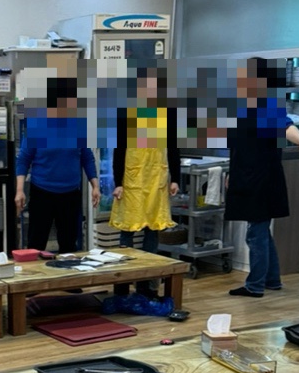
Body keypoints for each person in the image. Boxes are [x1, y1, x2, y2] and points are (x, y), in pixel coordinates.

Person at [224, 61, 299, 298]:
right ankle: (272, 279)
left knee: (255, 233)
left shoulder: (264, 105)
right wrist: (231, 174)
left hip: (261, 180)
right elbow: (238, 148)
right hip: (248, 177)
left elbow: (285, 125)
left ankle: (255, 286)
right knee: (261, 231)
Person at [15, 77, 101, 252]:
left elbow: (87, 157)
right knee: (36, 244)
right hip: (42, 193)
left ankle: (67, 270)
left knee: (68, 246)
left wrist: (95, 186)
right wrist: (19, 190)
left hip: (70, 194)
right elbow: (24, 159)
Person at [110, 68, 181, 254]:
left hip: (157, 177)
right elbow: (119, 149)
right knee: (128, 225)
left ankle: (150, 271)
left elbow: (174, 147)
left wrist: (175, 179)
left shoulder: (168, 111)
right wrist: (118, 183)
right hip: (132, 178)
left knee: (153, 226)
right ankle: (126, 271)